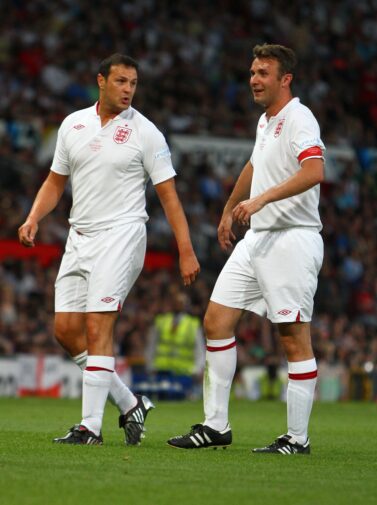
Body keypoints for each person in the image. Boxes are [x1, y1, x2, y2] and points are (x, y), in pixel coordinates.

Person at [18, 53, 200, 445]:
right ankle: (129, 402)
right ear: (101, 81)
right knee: (66, 330)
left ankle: (90, 428)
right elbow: (54, 182)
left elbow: (169, 197)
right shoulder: (73, 124)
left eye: (133, 83)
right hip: (79, 236)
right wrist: (34, 217)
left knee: (98, 324)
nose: (128, 90)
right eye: (121, 82)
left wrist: (186, 250)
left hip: (122, 235)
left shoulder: (146, 132)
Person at [168, 43, 324, 454]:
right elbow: (254, 165)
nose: (254, 79)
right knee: (216, 320)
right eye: (253, 72)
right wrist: (227, 208)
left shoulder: (299, 118)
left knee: (293, 336)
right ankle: (216, 425)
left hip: (292, 236)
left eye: (263, 73)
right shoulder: (266, 122)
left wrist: (261, 200)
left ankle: (297, 438)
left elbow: (315, 170)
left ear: (284, 79)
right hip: (257, 239)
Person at [146, 289, 204, 399]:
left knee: (181, 401)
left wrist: (197, 369)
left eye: (181, 302)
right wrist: (150, 365)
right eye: (176, 302)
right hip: (162, 370)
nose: (178, 305)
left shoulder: (192, 324)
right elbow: (151, 345)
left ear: (186, 305)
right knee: (162, 401)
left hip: (185, 372)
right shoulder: (161, 320)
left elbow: (199, 349)